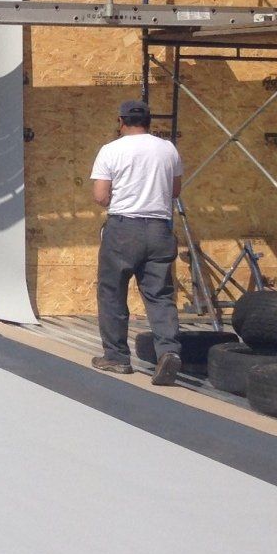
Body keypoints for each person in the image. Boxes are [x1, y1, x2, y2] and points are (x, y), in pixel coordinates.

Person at [90, 98, 184, 384]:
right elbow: (175, 191)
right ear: (149, 121)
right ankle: (168, 352)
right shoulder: (168, 149)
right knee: (159, 295)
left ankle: (117, 358)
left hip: (123, 228)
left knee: (112, 292)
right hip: (159, 229)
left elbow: (100, 196)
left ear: (120, 122)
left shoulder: (111, 150)